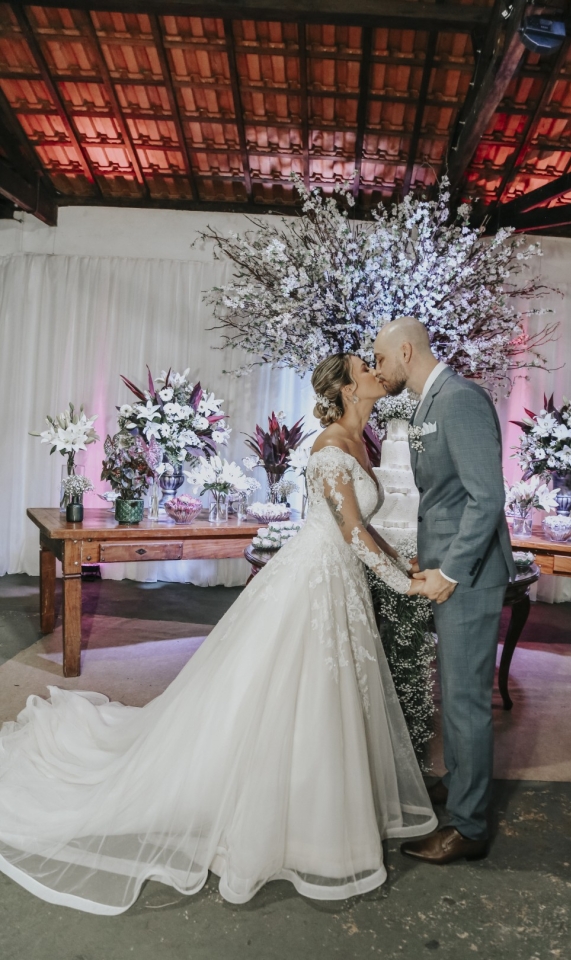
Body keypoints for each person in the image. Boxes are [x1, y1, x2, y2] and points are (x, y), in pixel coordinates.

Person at [0, 352, 437, 915]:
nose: (376, 371)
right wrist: (409, 585)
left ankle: (315, 806)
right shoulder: (331, 446)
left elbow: (364, 529)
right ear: (348, 389)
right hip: (315, 580)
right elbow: (352, 533)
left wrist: (404, 563)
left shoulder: (360, 440)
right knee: (296, 690)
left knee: (319, 696)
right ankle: (290, 821)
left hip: (339, 580)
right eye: (364, 367)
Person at [373, 317, 516, 865]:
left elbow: (487, 496)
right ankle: (459, 786)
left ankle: (469, 826)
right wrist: (428, 560)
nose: (379, 369)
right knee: (455, 693)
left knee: (465, 700)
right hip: (448, 566)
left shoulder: (458, 400)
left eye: (381, 359)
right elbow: (446, 498)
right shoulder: (428, 402)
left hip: (471, 575)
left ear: (406, 352)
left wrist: (449, 570)